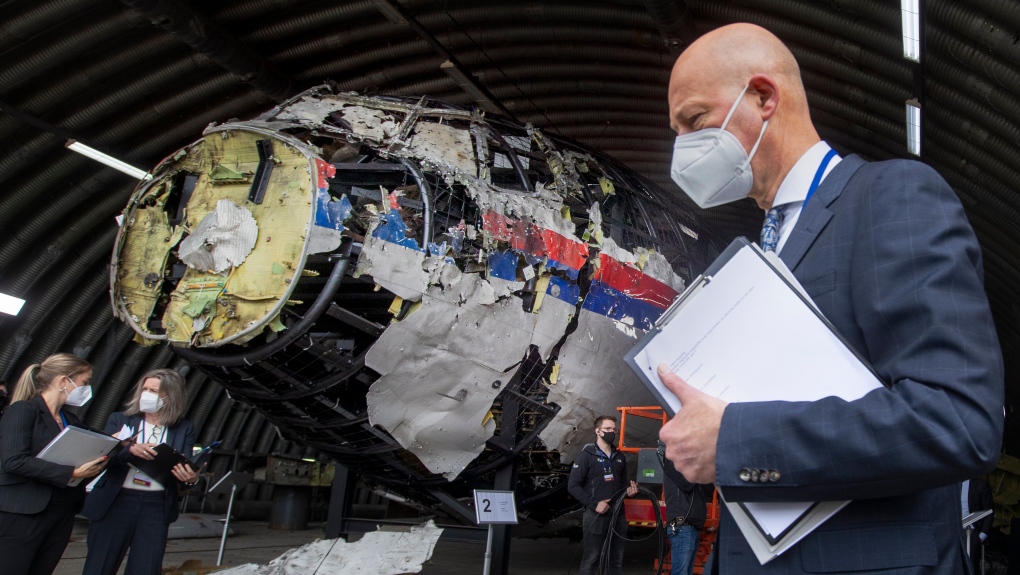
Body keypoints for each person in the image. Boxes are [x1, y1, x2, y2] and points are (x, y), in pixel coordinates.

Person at [657, 23, 1003, 574]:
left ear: (765, 97)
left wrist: (736, 440)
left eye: (695, 121)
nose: (683, 147)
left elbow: (956, 419)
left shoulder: (892, 198)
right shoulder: (755, 254)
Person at [82, 368, 199, 575]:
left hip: (155, 506)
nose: (146, 394)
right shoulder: (120, 420)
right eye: (144, 388)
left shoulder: (184, 428)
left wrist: (191, 479)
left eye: (153, 391)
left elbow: (184, 465)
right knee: (100, 565)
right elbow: (101, 460)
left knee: (147, 566)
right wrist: (128, 449)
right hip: (117, 501)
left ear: (170, 396)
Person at [0, 353, 108, 575]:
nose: (87, 389)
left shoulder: (72, 420)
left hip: (61, 511)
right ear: (62, 381)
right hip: (23, 512)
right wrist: (73, 471)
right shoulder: (23, 410)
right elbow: (13, 461)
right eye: (84, 382)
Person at [567, 415, 639, 575]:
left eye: (614, 429)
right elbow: (573, 486)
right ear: (597, 431)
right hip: (596, 515)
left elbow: (621, 484)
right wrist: (594, 504)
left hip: (618, 514)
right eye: (607, 429)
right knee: (591, 558)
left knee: (615, 560)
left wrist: (629, 492)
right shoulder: (586, 455)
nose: (611, 432)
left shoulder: (619, 457)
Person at [657, 440, 710, 575]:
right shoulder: (674, 462)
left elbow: (708, 489)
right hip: (683, 527)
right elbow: (686, 484)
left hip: (692, 527)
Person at [964, 477, 994, 573]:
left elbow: (989, 511)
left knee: (971, 568)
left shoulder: (981, 485)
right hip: (954, 532)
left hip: (972, 533)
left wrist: (981, 536)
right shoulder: (951, 485)